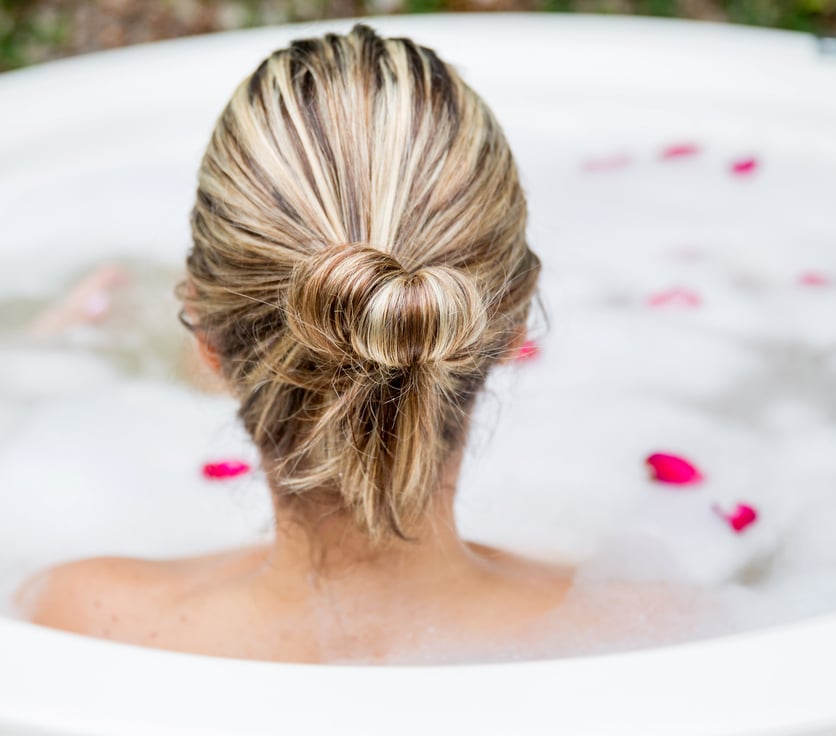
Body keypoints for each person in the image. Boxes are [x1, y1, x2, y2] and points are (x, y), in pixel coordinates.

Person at [17, 24, 698, 663]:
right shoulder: (654, 632)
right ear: (514, 329)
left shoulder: (78, 619)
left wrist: (45, 346)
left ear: (207, 344)